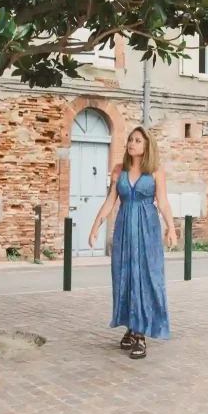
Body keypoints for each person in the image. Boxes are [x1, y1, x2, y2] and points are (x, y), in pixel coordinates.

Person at [88, 126, 177, 359]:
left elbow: (163, 202)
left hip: (148, 230)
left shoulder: (155, 172)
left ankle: (140, 335)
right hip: (125, 230)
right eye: (130, 139)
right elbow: (110, 201)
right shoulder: (119, 171)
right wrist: (96, 226)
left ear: (147, 145)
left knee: (146, 278)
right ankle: (131, 326)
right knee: (125, 277)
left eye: (137, 140)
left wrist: (171, 228)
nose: (132, 143)